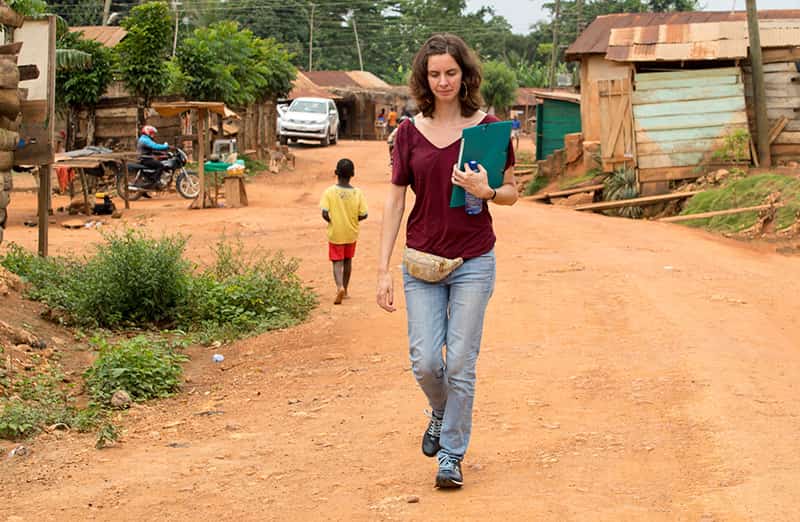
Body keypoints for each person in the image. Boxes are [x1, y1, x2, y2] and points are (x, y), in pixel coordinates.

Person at [376, 33, 517, 489]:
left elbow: (513, 192)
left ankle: (451, 456)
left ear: (465, 75)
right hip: (421, 261)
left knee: (459, 362)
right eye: (434, 74)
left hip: (474, 258)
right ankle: (441, 410)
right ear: (424, 78)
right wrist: (382, 270)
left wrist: (487, 192)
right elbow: (396, 200)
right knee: (425, 363)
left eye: (450, 73)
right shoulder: (408, 133)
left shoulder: (489, 129)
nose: (443, 81)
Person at [320, 158, 368, 305]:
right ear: (352, 174)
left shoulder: (329, 192)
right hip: (351, 232)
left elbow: (325, 213)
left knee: (337, 262)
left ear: (336, 173)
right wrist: (352, 219)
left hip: (336, 232)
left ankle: (339, 286)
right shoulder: (357, 193)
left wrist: (333, 221)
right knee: (348, 261)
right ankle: (345, 289)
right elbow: (364, 214)